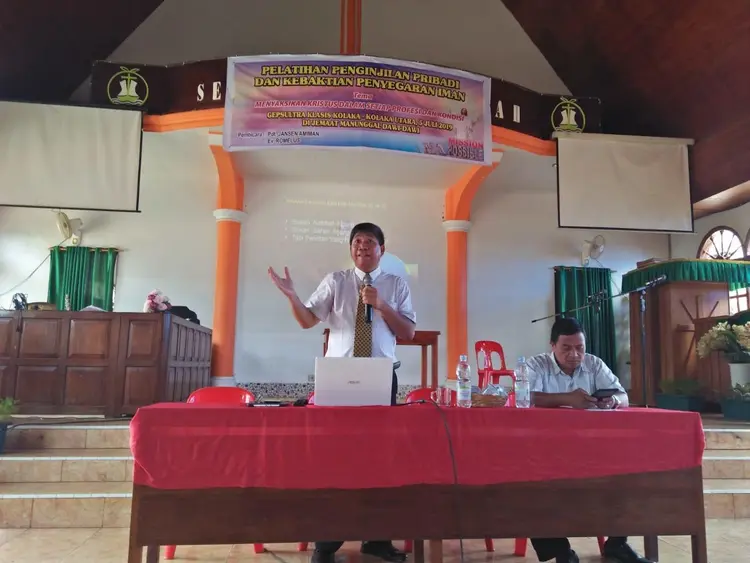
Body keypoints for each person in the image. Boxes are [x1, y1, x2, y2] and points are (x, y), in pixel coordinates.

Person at [268, 222, 416, 563]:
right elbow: (307, 320)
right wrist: (292, 296)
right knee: (333, 459)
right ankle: (325, 545)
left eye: (369, 241)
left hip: (381, 377)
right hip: (339, 378)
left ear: (382, 249)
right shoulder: (336, 281)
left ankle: (376, 539)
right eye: (357, 241)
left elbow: (408, 333)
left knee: (379, 459)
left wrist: (383, 305)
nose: (362, 246)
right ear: (351, 249)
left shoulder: (396, 284)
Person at [525, 317, 652, 563]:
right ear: (552, 345)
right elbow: (524, 397)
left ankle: (617, 543)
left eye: (579, 348)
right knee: (531, 483)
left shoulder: (594, 364)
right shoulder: (536, 365)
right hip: (548, 449)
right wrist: (567, 399)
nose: (574, 355)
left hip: (592, 448)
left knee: (629, 471)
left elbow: (623, 396)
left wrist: (612, 401)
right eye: (566, 348)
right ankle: (561, 552)